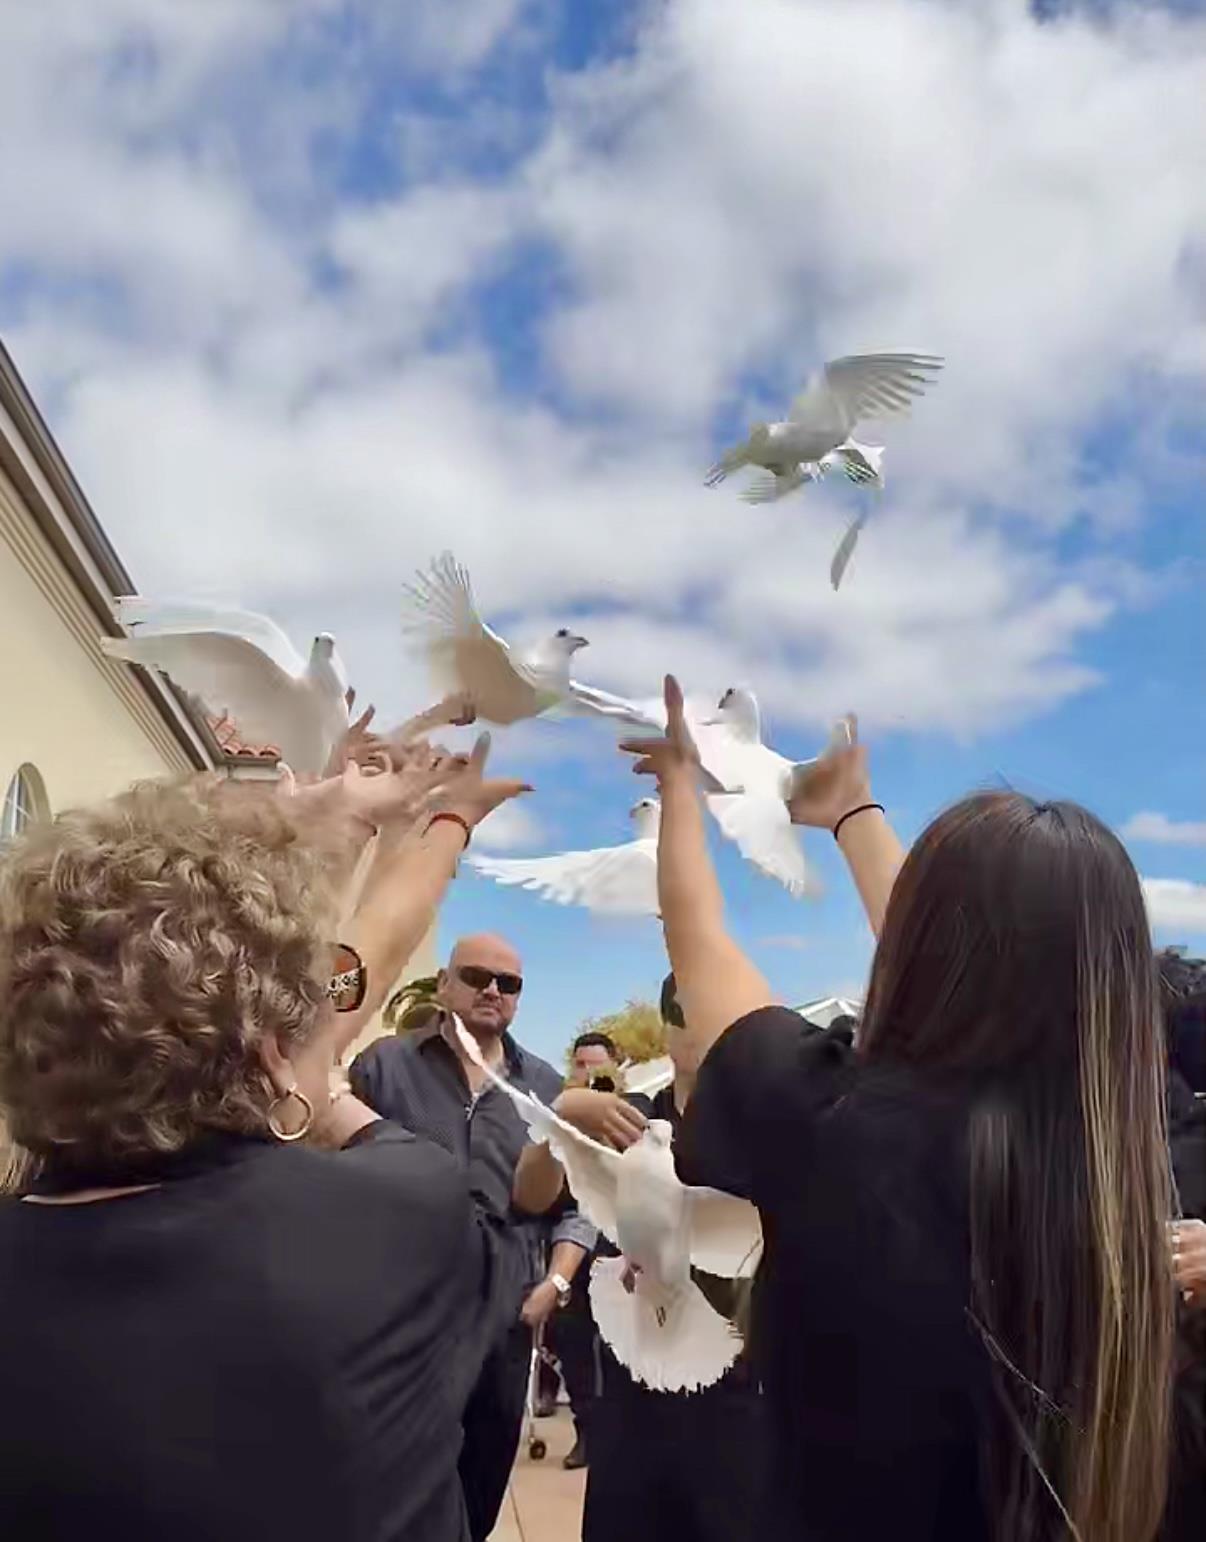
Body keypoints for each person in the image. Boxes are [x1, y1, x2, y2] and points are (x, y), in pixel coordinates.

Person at [617, 677, 1175, 1542]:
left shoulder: (829, 1123)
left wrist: (682, 789)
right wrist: (854, 810)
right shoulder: (1138, 1176)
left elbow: (702, 947)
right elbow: (985, 973)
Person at [0, 727, 530, 1542]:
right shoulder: (393, 1213)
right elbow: (348, 981)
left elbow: (340, 981)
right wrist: (433, 827)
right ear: (273, 1049)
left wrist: (345, 825)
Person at [349, 934, 597, 1542]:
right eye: (477, 976)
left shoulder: (542, 1083)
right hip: (402, 1308)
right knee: (393, 1476)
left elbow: (577, 1203)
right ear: (444, 984)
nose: (492, 990)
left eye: (508, 984)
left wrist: (555, 1283)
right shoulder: (384, 1065)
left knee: (483, 1470)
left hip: (503, 1312)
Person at [576, 972, 767, 1542]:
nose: (706, 1033)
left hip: (736, 1393)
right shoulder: (625, 1120)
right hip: (635, 1395)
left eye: (722, 1017)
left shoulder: (766, 1129)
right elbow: (533, 1195)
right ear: (667, 1028)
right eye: (690, 1015)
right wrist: (567, 1110)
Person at [535, 1030, 621, 1448]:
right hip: (572, 1247)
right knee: (572, 1341)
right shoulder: (564, 1117)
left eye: (597, 1065)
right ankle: (585, 1429)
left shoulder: (632, 1111)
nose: (588, 1073)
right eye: (581, 1065)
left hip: (617, 1251)